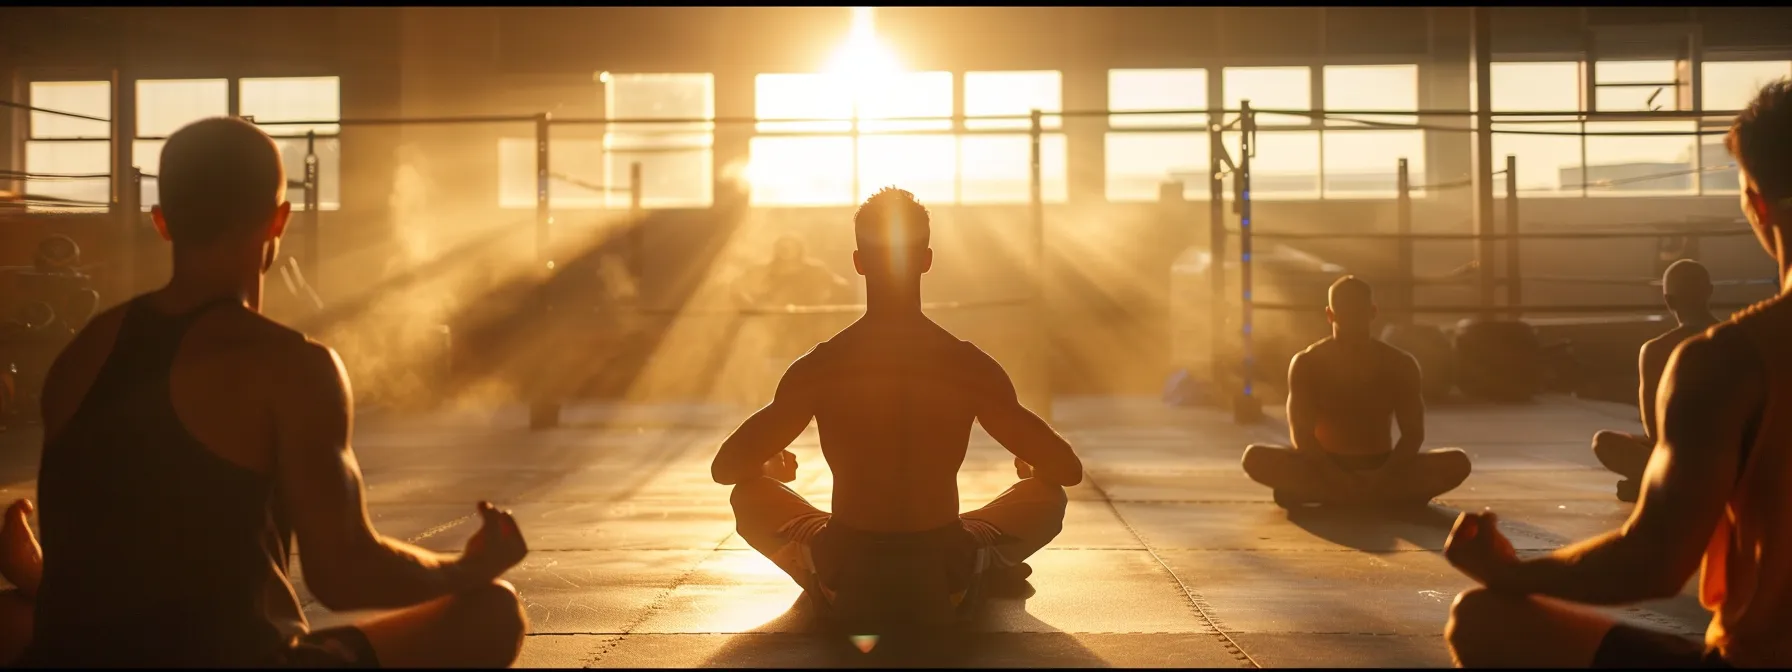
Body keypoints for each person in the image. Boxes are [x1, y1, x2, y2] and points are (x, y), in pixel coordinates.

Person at [0, 117, 529, 667]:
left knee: (15, 618)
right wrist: (469, 567)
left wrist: (46, 577)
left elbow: (142, 536)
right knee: (492, 611)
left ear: (162, 222)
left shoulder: (83, 352)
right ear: (279, 220)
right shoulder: (293, 365)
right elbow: (342, 575)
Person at [1442, 79, 1792, 668]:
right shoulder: (1699, 355)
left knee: (1483, 621)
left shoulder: (1726, 360)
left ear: (1755, 205)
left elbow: (1654, 561)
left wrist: (1513, 573)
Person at [714, 187, 1082, 630]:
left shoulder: (822, 364)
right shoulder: (966, 364)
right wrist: (1036, 464)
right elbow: (1066, 471)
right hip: (945, 570)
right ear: (927, 259)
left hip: (845, 569)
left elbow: (727, 469)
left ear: (858, 261)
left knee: (749, 494)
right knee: (1045, 496)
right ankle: (981, 569)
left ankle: (822, 580)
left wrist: (766, 466)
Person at [1240, 276, 1472, 509]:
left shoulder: (1399, 363)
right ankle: (1377, 496)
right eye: (1345, 313)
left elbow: (1413, 434)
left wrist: (1381, 475)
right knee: (1255, 457)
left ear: (1372, 312)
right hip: (1322, 465)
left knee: (1457, 462)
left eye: (1357, 313)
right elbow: (1301, 435)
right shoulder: (1307, 362)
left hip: (1384, 466)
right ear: (1331, 315)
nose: (1352, 320)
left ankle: (1329, 494)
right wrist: (1335, 475)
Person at [1591, 259, 1718, 503]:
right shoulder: (1737, 337)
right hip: (1734, 459)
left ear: (1668, 301)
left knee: (1604, 442)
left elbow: (1653, 430)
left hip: (1681, 460)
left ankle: (1662, 483)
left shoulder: (1656, 350)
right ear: (1710, 292)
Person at [732, 234, 851, 401]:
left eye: (790, 247)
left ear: (799, 249)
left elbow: (838, 285)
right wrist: (755, 307)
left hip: (807, 323)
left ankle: (813, 395)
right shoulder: (764, 271)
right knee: (757, 352)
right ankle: (759, 398)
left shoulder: (814, 270)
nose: (786, 251)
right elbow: (738, 287)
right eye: (783, 247)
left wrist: (826, 298)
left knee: (810, 357)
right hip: (772, 323)